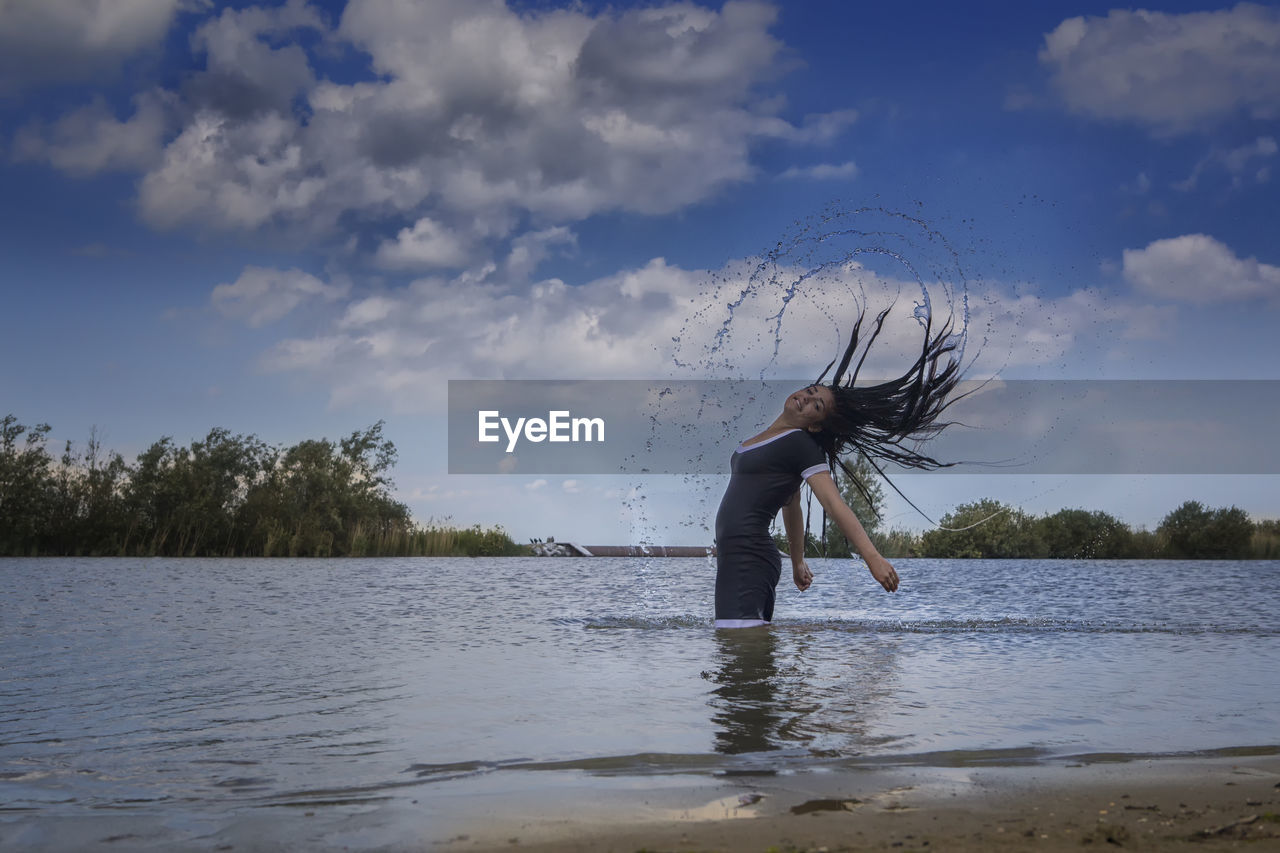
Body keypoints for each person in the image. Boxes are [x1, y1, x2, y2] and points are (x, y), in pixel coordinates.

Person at [713, 308, 961, 629]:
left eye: (817, 405)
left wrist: (872, 558)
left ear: (816, 426)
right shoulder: (767, 440)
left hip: (750, 558)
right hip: (736, 559)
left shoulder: (799, 444)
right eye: (810, 391)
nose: (805, 398)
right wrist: (798, 560)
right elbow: (791, 503)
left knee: (739, 654)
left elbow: (833, 503)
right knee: (739, 662)